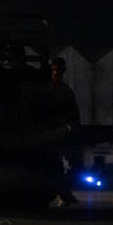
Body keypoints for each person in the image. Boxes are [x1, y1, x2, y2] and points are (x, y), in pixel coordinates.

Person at [48, 57, 81, 206]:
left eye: (58, 70)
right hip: (50, 134)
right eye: (53, 69)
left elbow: (74, 114)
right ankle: (62, 193)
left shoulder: (66, 91)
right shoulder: (46, 89)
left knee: (75, 165)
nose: (55, 73)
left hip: (63, 133)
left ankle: (63, 191)